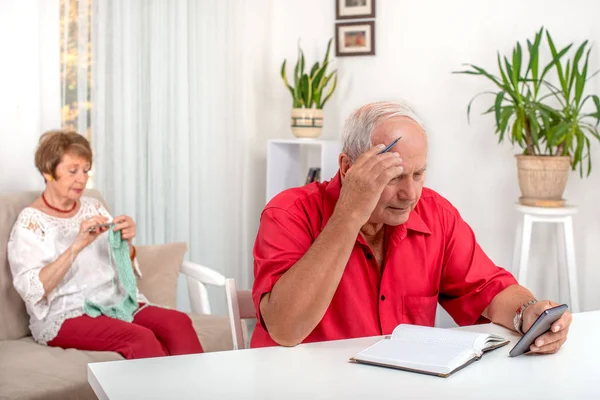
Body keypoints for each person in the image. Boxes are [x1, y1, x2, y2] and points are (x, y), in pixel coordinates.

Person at [251, 101, 572, 354]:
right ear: (348, 168)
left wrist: (528, 314)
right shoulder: (289, 213)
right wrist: (349, 215)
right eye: (393, 177)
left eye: (418, 174)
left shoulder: (435, 214)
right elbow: (285, 328)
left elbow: (488, 288)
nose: (410, 194)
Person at [8, 130, 203, 359]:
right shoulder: (31, 222)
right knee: (140, 338)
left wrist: (127, 242)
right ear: (47, 172)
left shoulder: (94, 207)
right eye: (73, 171)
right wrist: (76, 246)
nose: (81, 178)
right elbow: (33, 290)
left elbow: (123, 268)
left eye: (85, 170)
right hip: (65, 315)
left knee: (177, 322)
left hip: (112, 303)